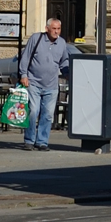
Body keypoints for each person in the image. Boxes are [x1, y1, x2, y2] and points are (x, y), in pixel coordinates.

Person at [19, 18, 70, 151]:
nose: (56, 31)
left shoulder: (62, 43)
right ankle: (29, 140)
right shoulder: (36, 39)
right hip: (33, 82)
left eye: (58, 29)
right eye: (54, 29)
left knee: (47, 115)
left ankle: (42, 142)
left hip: (51, 85)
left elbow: (64, 61)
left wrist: (67, 73)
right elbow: (25, 57)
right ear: (47, 28)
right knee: (33, 111)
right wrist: (23, 75)